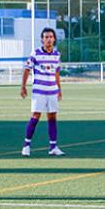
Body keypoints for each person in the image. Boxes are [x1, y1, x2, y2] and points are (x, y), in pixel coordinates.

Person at [20, 28, 65, 156]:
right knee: (35, 116)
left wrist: (59, 89)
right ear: (42, 39)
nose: (48, 39)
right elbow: (27, 69)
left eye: (51, 37)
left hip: (52, 91)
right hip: (39, 91)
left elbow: (57, 73)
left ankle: (53, 147)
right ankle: (26, 146)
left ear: (54, 39)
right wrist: (23, 86)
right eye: (46, 37)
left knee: (52, 117)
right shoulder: (35, 54)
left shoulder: (57, 55)